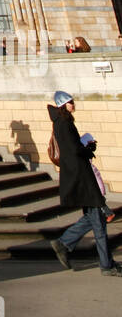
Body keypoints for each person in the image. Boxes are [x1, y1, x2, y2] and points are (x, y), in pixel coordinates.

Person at [49, 92, 121, 275]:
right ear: (63, 105)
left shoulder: (60, 122)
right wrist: (87, 148)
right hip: (82, 179)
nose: (73, 104)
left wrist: (85, 149)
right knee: (99, 226)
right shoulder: (64, 124)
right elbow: (73, 150)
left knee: (93, 219)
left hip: (79, 178)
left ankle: (63, 243)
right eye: (70, 102)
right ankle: (106, 266)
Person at [80, 133, 116, 224]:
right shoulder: (88, 160)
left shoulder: (88, 164)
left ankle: (108, 214)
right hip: (94, 188)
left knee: (99, 203)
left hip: (95, 189)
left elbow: (95, 178)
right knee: (97, 203)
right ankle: (104, 215)